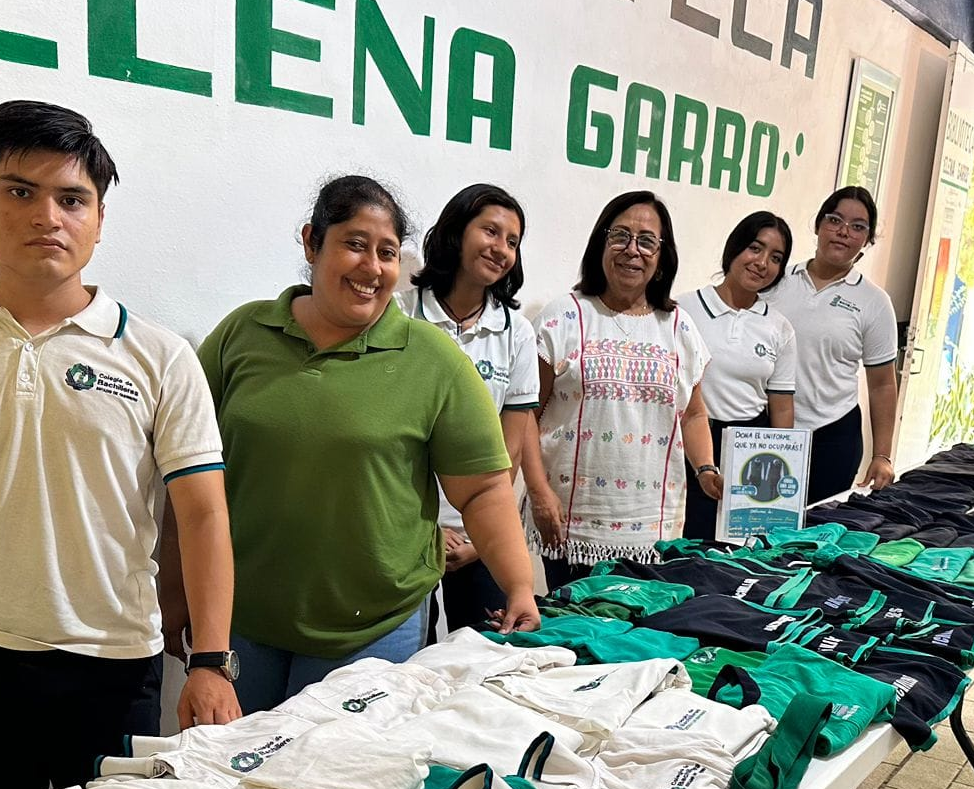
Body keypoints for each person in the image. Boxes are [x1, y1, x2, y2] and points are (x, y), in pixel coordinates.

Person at [0, 100, 239, 789]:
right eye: (20, 191)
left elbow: (203, 516)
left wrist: (210, 661)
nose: (48, 216)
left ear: (99, 218)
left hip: (114, 664)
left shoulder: (160, 356)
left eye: (72, 199)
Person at [171, 176, 538, 714]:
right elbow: (187, 480)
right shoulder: (242, 335)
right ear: (312, 243)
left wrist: (519, 586)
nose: (372, 267)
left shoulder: (433, 360)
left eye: (387, 253)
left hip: (374, 629)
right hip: (241, 620)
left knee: (337, 769)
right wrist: (175, 592)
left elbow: (483, 489)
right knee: (234, 764)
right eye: (355, 244)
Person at [524, 191, 715, 587]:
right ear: (601, 243)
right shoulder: (564, 316)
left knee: (640, 625)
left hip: (653, 530)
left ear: (662, 256)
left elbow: (693, 413)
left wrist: (706, 468)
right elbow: (526, 414)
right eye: (620, 236)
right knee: (572, 623)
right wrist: (539, 492)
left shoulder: (679, 326)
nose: (632, 250)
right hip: (570, 524)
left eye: (647, 241)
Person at [402, 184, 538, 633]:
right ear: (456, 231)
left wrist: (481, 539)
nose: (501, 249)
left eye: (512, 241)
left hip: (481, 530)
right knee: (407, 659)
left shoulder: (516, 332)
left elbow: (508, 452)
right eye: (491, 232)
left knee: (487, 652)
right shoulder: (400, 314)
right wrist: (423, 530)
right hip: (407, 528)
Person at [766, 186, 900, 504]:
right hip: (767, 429)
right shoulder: (776, 280)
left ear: (867, 240)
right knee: (757, 527)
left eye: (858, 226)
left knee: (818, 527)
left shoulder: (874, 302)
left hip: (832, 435)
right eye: (835, 220)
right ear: (818, 225)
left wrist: (882, 455)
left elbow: (882, 384)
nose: (843, 232)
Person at [674, 212, 797, 539]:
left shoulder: (780, 327)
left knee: (739, 547)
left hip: (750, 449)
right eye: (755, 248)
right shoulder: (683, 309)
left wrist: (781, 461)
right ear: (734, 248)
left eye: (776, 258)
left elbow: (782, 405)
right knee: (685, 543)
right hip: (688, 442)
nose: (762, 263)